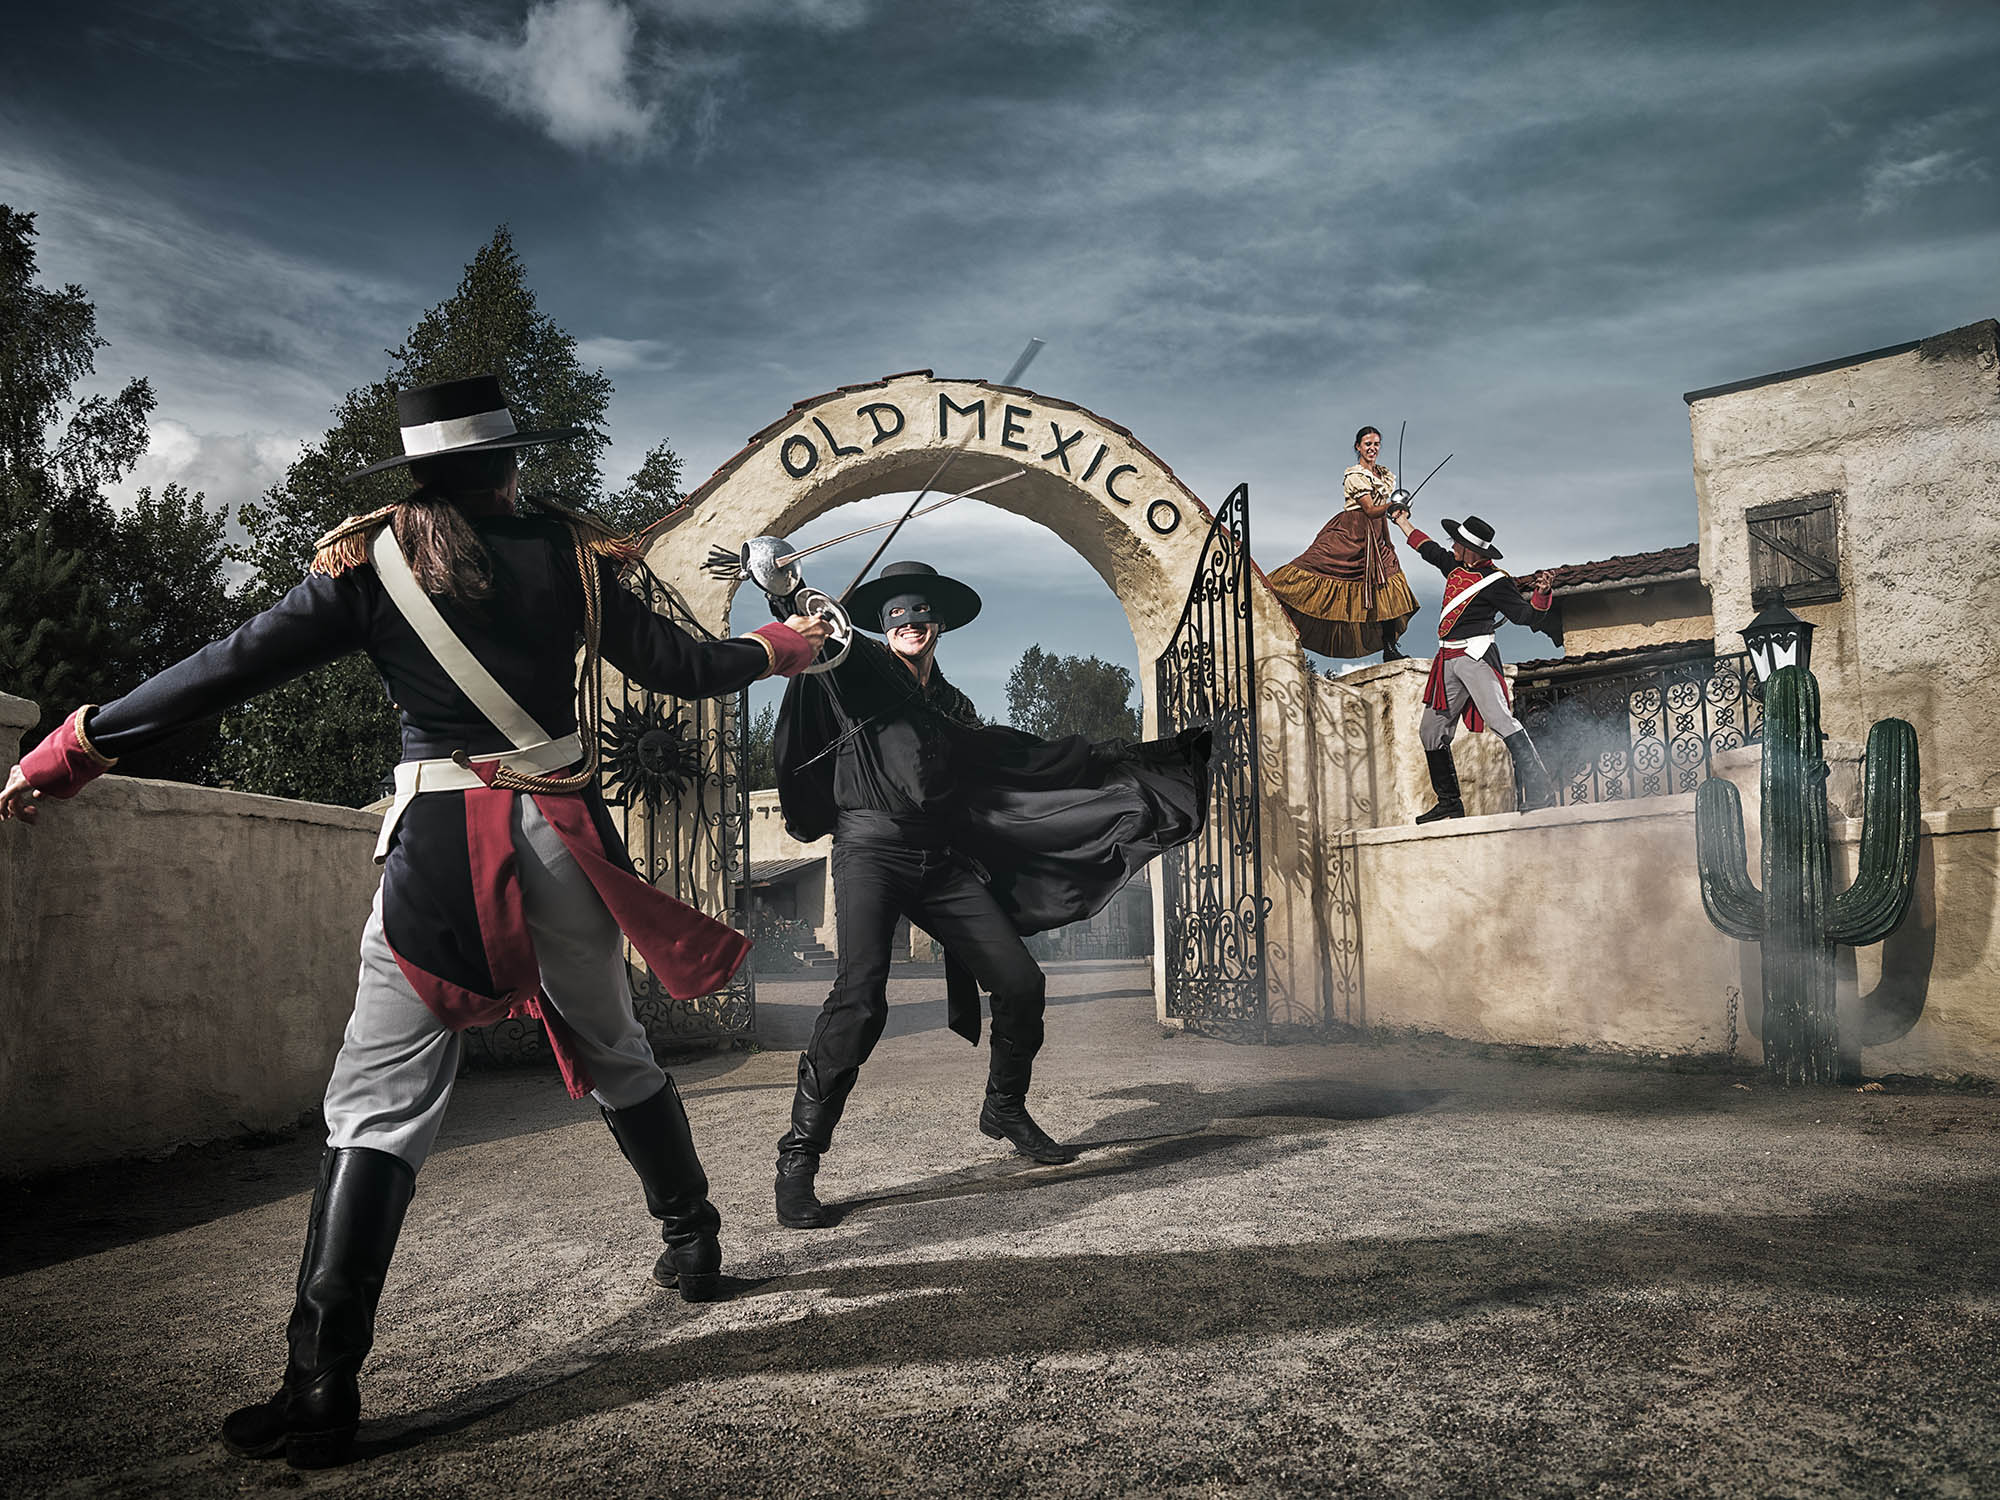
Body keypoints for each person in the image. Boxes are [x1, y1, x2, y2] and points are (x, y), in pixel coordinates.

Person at [0, 374, 830, 1469]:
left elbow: (222, 670)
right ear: (512, 461)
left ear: (421, 471)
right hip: (564, 839)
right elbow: (688, 667)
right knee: (613, 1044)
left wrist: (73, 749)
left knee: (377, 1103)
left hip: (439, 851)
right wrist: (786, 643)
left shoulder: (367, 562)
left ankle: (321, 1385)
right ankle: (693, 1239)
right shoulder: (575, 556)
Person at [766, 559, 1210, 1230]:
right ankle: (799, 1158)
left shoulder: (953, 708)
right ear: (882, 626)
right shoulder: (858, 670)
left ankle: (1003, 1106)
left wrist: (1134, 757)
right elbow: (820, 635)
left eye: (921, 614)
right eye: (897, 616)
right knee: (860, 1000)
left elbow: (1018, 760)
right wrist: (783, 589)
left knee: (1021, 982)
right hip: (870, 849)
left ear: (938, 624)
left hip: (939, 859)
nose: (910, 623)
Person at [1390, 509, 1561, 820]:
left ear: (1470, 549)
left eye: (1457, 543)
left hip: (1475, 656)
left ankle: (1542, 792)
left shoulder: (1497, 582)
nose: (1452, 547)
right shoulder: (1454, 565)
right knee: (1431, 731)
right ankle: (1450, 803)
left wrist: (1542, 594)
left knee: (1502, 721)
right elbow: (1426, 547)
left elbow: (1526, 616)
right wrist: (1402, 520)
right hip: (1447, 660)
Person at [1266, 426, 1419, 662]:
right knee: (1314, 568)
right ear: (1358, 446)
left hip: (1377, 536)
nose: (1372, 448)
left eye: (1376, 444)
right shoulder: (1355, 476)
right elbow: (1370, 510)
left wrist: (1388, 543)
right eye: (1367, 444)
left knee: (1389, 586)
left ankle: (1390, 648)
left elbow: (1379, 516)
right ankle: (1268, 596)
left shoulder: (1384, 475)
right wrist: (1392, 506)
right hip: (1352, 532)